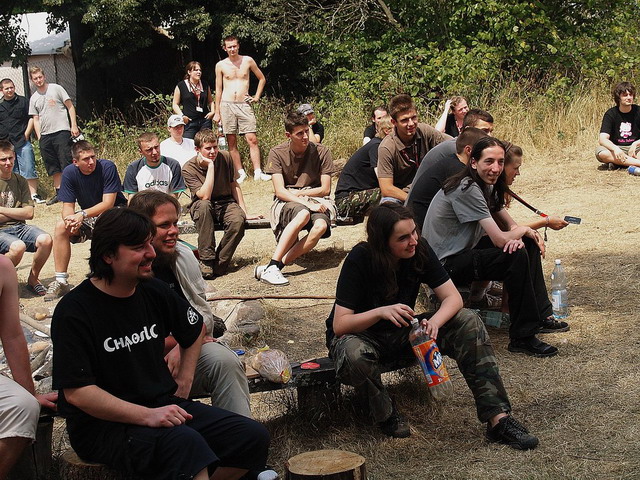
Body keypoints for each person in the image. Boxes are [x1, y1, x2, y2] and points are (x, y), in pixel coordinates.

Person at [51, 208, 270, 480]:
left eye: (149, 244)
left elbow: (194, 329)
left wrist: (185, 380)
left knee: (251, 436)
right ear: (108, 255)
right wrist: (147, 416)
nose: (151, 253)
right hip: (102, 426)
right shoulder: (74, 311)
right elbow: (78, 393)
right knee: (185, 444)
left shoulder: (152, 290)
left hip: (162, 405)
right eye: (138, 248)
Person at [326, 203, 539, 449]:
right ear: (382, 242)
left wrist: (434, 324)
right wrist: (380, 312)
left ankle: (498, 419)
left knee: (468, 321)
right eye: (403, 238)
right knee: (354, 354)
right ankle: (386, 414)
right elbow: (341, 324)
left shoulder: (419, 249)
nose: (413, 241)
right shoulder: (360, 258)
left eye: (414, 232)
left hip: (403, 332)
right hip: (360, 336)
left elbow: (453, 298)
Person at [423, 137, 569, 358]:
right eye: (489, 161)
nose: (496, 168)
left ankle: (541, 315)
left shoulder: (486, 185)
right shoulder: (467, 187)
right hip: (444, 265)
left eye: (500, 162)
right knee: (514, 254)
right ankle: (522, 337)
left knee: (526, 244)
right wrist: (525, 231)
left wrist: (524, 234)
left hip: (463, 252)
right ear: (474, 162)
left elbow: (510, 225)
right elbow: (500, 239)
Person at [129, 190, 252, 417]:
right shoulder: (124, 269)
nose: (174, 231)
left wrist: (185, 345)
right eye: (164, 225)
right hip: (137, 369)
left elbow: (203, 317)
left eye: (175, 223)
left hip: (184, 353)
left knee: (224, 361)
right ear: (140, 228)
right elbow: (134, 345)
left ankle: (239, 432)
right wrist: (186, 340)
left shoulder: (182, 257)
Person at [255, 112, 335, 286]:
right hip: (289, 200)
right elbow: (280, 191)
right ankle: (273, 266)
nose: (305, 136)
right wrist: (304, 202)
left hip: (315, 198)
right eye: (300, 133)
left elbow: (325, 189)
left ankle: (274, 266)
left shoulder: (322, 151)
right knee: (303, 214)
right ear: (288, 135)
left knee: (321, 226)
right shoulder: (277, 152)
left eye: (306, 131)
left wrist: (302, 196)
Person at [45, 140, 127, 301]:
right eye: (86, 159)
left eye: (93, 157)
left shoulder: (107, 167)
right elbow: (67, 207)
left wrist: (81, 215)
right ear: (75, 162)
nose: (91, 162)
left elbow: (108, 203)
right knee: (61, 227)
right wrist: (70, 221)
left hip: (115, 213)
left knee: (104, 221)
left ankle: (111, 275)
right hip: (89, 216)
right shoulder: (69, 173)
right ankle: (61, 281)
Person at [182, 129, 258, 278]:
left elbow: (234, 184)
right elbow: (204, 196)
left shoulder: (226, 157)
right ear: (197, 149)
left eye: (215, 147)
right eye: (208, 148)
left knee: (237, 220)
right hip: (202, 205)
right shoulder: (188, 168)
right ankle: (206, 260)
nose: (213, 152)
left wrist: (244, 211)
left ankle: (219, 263)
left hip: (225, 202)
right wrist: (210, 166)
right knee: (204, 207)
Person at [405, 127, 489, 230]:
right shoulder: (458, 171)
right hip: (422, 227)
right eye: (483, 151)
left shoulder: (452, 161)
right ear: (468, 150)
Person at [213, 35, 270, 183]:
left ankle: (258, 171)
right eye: (229, 47)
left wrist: (256, 97)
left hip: (244, 104)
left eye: (234, 46)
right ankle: (240, 173)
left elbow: (262, 78)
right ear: (224, 48)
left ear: (238, 46)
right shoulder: (220, 65)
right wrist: (217, 112)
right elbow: (218, 89)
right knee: (231, 141)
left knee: (252, 139)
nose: (232, 49)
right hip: (227, 104)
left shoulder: (248, 60)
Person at [0, 140, 52, 296]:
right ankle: (5, 285)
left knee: (46, 240)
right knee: (18, 247)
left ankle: (33, 279)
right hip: (1, 231)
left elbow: (29, 213)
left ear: (15, 157)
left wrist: (2, 210)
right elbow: (23, 212)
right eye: (3, 159)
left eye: (10, 158)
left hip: (20, 227)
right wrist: (18, 211)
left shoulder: (20, 180)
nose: (8, 163)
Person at [376, 94, 449, 203]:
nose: (411, 123)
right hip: (402, 195)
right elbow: (387, 189)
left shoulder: (424, 130)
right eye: (404, 120)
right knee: (387, 204)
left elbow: (453, 144)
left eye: (414, 117)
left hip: (430, 188)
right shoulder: (386, 148)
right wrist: (414, 200)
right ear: (394, 122)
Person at [27, 66, 79, 205]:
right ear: (32, 80)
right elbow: (35, 119)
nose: (38, 80)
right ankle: (60, 193)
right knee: (53, 166)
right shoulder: (34, 98)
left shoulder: (56, 88)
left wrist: (73, 125)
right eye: (35, 78)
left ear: (44, 76)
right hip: (45, 136)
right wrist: (40, 137)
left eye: (40, 77)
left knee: (66, 162)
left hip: (61, 131)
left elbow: (70, 106)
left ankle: (73, 191)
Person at [334, 115, 393, 220]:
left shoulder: (379, 144)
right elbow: (381, 176)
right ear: (387, 131)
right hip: (345, 201)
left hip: (357, 195)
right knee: (389, 192)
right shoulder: (376, 146)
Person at [503, 142, 569, 231]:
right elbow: (507, 229)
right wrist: (546, 221)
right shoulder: (490, 192)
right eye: (515, 168)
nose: (518, 173)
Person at [0, 78, 44, 203]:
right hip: (6, 144)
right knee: (10, 170)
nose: (10, 90)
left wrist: (26, 134)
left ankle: (33, 195)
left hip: (22, 141)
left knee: (28, 167)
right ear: (1, 90)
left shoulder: (23, 101)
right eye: (7, 88)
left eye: (11, 87)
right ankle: (16, 196)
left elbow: (31, 118)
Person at [123, 132, 186, 197]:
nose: (155, 152)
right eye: (149, 150)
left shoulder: (173, 165)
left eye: (156, 147)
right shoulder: (133, 168)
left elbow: (174, 197)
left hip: (166, 202)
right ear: (141, 152)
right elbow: (132, 197)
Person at [595, 81, 640, 169]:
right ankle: (635, 163)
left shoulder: (638, 111)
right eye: (625, 95)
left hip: (636, 148)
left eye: (630, 95)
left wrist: (636, 143)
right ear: (618, 97)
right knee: (602, 153)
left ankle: (619, 163)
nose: (629, 97)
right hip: (617, 148)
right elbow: (603, 139)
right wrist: (615, 149)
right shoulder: (611, 114)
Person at [172, 61, 214, 140]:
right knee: (188, 143)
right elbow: (175, 104)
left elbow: (210, 101)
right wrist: (182, 116)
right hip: (189, 122)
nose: (199, 72)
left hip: (205, 121)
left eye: (200, 70)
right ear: (189, 72)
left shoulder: (205, 84)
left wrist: (213, 112)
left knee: (206, 142)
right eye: (196, 70)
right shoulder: (181, 85)